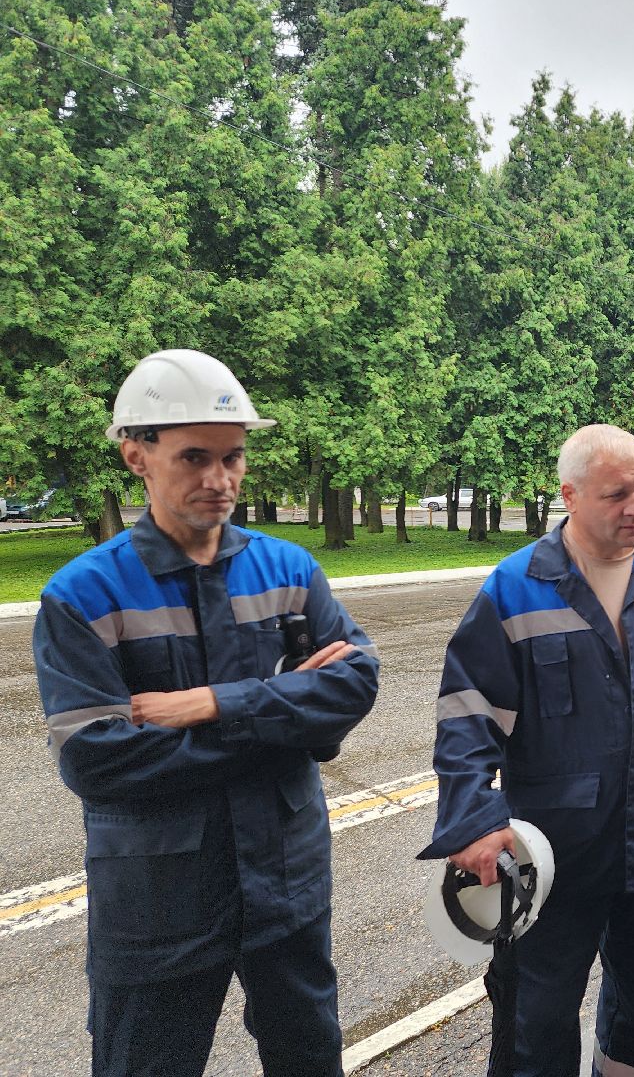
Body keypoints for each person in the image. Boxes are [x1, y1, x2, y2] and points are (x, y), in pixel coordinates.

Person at [32, 349, 380, 1077]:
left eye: (234, 458)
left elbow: (356, 685)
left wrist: (213, 704)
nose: (220, 480)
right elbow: (98, 759)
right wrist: (289, 726)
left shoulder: (289, 570)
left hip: (285, 884)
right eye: (195, 457)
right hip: (157, 906)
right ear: (137, 455)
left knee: (310, 1060)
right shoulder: (83, 595)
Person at [421, 424, 634, 1077]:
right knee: (538, 1016)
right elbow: (467, 713)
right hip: (553, 853)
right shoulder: (516, 589)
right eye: (617, 494)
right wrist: (473, 818)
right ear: (569, 495)